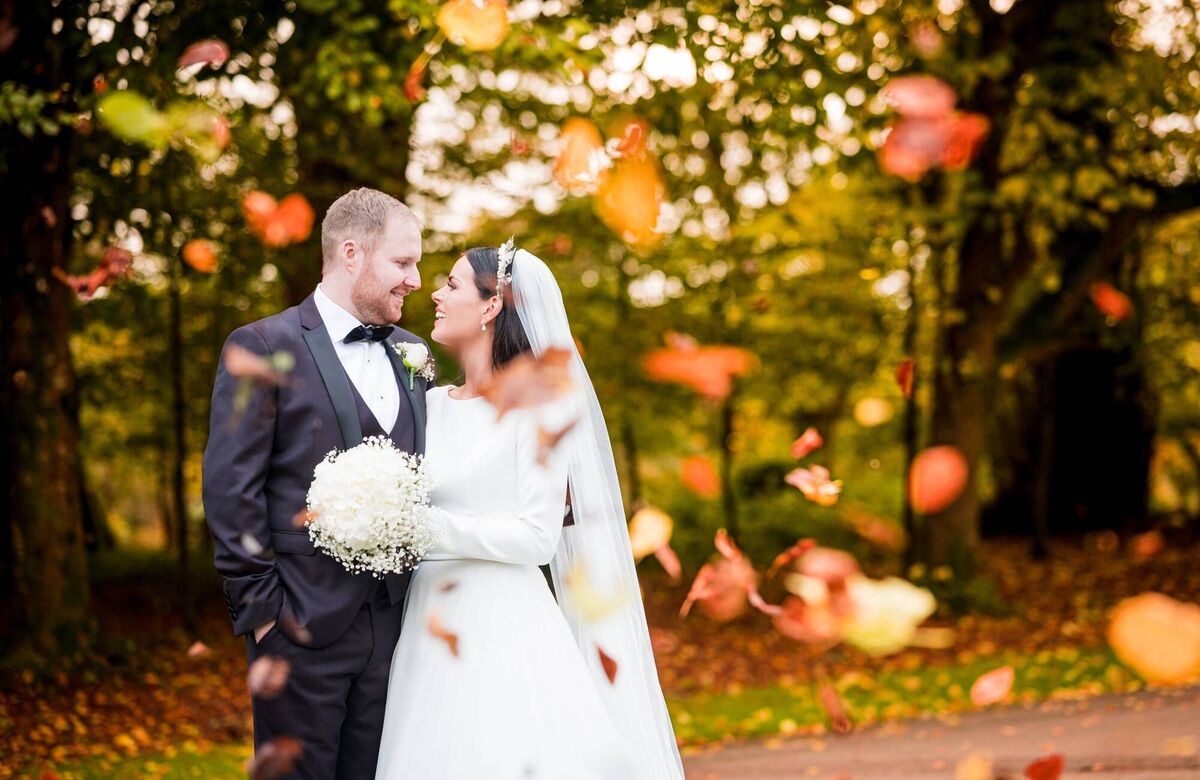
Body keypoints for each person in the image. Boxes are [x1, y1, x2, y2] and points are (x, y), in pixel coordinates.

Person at [374, 240, 685, 779]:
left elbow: (538, 538)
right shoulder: (424, 406)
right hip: (427, 622)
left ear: (491, 305)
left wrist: (423, 528)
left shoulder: (539, 407)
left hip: (503, 625)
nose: (435, 294)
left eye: (450, 285)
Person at [203, 188, 429, 778]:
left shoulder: (413, 353)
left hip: (396, 626)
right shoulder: (261, 345)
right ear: (351, 253)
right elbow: (231, 488)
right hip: (297, 623)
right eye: (403, 263)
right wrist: (263, 612)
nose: (416, 279)